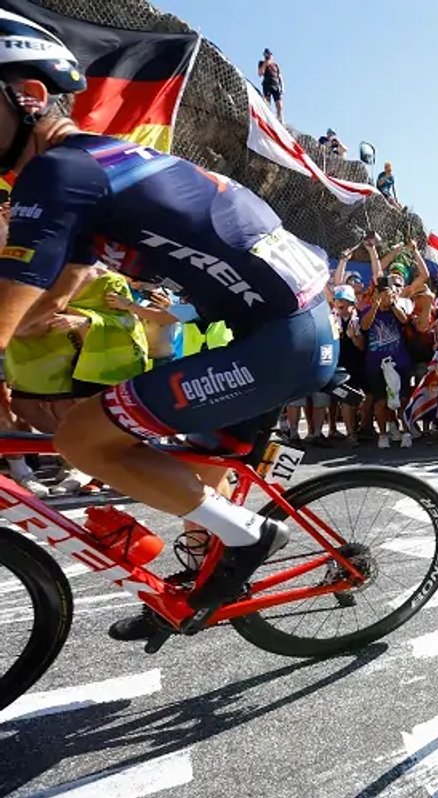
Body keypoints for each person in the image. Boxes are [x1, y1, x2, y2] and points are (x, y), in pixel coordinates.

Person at [0, 13, 338, 640]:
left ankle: (253, 536)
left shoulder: (59, 171)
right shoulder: (89, 166)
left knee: (82, 438)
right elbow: (54, 288)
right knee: (196, 472)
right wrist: (36, 326)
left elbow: (7, 301)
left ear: (31, 97)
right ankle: (195, 589)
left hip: (281, 337)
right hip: (277, 328)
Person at [257, 48, 284, 122]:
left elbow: (280, 76)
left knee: (279, 105)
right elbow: (260, 73)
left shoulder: (275, 65)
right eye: (266, 54)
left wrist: (282, 87)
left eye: (269, 54)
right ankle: (268, 119)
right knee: (267, 103)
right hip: (267, 84)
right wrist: (265, 63)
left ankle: (280, 120)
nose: (268, 56)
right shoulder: (261, 63)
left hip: (276, 85)